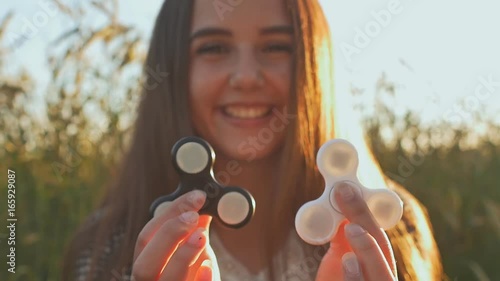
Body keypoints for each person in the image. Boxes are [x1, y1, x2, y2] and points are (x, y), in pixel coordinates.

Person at [62, 0, 447, 280]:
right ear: (174, 69)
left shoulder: (393, 228)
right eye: (214, 48)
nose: (246, 76)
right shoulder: (105, 250)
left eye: (276, 46)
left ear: (314, 64)